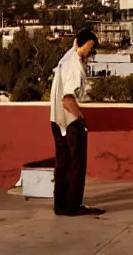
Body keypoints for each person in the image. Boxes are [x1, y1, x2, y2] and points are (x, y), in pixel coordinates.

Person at [49, 27, 105, 216]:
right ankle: (73, 206)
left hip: (57, 120)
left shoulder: (66, 59)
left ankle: (61, 205)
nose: (90, 51)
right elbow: (67, 99)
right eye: (89, 47)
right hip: (70, 121)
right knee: (76, 165)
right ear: (80, 44)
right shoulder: (73, 65)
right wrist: (80, 119)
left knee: (63, 164)